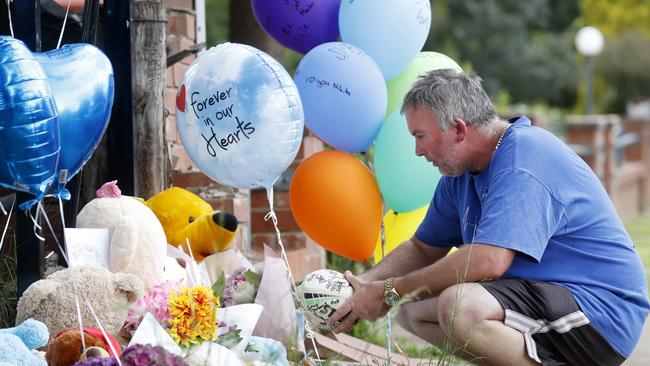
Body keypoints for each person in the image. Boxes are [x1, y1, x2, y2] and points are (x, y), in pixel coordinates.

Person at [327, 69, 649, 366]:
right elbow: (422, 249)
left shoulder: (521, 159)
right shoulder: (458, 177)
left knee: (458, 307)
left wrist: (388, 291)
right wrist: (364, 286)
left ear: (458, 128)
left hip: (602, 313)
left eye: (420, 136)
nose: (417, 151)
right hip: (552, 300)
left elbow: (488, 261)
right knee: (411, 310)